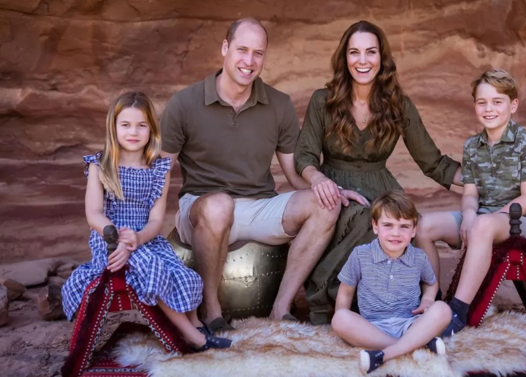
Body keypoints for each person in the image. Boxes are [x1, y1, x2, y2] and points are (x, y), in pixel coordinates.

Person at [159, 18, 346, 331]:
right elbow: (160, 172)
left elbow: (293, 171)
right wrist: (146, 225)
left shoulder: (279, 104)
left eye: (258, 53)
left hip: (258, 206)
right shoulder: (184, 103)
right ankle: (212, 311)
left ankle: (281, 308)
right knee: (219, 206)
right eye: (242, 50)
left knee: (325, 205)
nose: (249, 61)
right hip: (202, 209)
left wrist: (325, 188)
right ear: (225, 48)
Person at [294, 20, 462, 324]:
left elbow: (432, 161)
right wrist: (318, 179)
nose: (362, 60)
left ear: (381, 58)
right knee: (366, 218)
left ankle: (411, 306)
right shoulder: (323, 100)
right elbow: (304, 155)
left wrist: (481, 181)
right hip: (336, 188)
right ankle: (322, 297)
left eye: (370, 52)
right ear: (344, 58)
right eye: (354, 52)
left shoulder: (398, 105)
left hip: (382, 186)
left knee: (402, 224)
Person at [61, 92, 230, 351]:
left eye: (142, 125)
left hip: (146, 240)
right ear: (113, 127)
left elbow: (155, 220)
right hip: (109, 241)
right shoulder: (100, 166)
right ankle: (193, 338)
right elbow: (93, 213)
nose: (133, 132)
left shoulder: (158, 169)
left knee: (184, 273)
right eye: (125, 125)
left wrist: (139, 238)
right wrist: (115, 235)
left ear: (151, 129)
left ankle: (196, 324)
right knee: (147, 264)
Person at [414, 69, 526, 337]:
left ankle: (458, 311)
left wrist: (483, 222)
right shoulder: (472, 146)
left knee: (483, 225)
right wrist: (468, 215)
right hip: (483, 218)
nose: (489, 109)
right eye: (482, 102)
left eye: (497, 102)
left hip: (522, 222)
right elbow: (470, 193)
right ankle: (432, 298)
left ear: (513, 105)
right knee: (423, 226)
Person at [331, 190, 451, 374]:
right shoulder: (361, 255)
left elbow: (431, 283)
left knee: (442, 309)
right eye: (388, 225)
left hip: (410, 325)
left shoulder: (418, 258)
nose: (396, 233)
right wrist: (344, 324)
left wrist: (427, 301)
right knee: (339, 318)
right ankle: (416, 348)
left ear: (414, 231)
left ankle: (384, 355)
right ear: (375, 226)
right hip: (372, 327)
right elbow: (346, 291)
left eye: (404, 226)